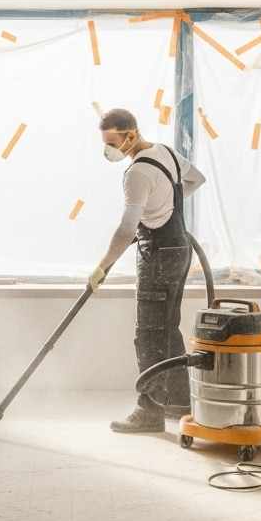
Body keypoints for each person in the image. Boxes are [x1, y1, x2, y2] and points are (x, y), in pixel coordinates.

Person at [87, 108, 206, 433]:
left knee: (149, 334)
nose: (108, 150)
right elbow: (196, 179)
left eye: (112, 142)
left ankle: (149, 411)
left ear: (131, 135)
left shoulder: (137, 173)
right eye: (105, 143)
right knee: (168, 327)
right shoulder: (165, 152)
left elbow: (127, 230)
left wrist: (102, 268)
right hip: (179, 248)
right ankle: (180, 402)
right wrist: (162, 206)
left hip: (157, 255)